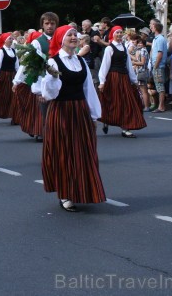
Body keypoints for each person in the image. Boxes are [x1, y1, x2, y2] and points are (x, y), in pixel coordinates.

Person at [41, 26, 106, 212]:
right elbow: (49, 93)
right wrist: (53, 78)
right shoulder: (52, 62)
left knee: (83, 151)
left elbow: (88, 89)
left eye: (75, 35)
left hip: (80, 110)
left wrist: (94, 114)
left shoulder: (80, 61)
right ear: (61, 39)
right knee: (64, 152)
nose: (73, 37)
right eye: (69, 35)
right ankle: (65, 193)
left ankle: (80, 189)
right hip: (61, 111)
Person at [98, 26, 147, 138]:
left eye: (121, 32)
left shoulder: (124, 48)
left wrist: (134, 80)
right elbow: (104, 66)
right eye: (117, 33)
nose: (119, 35)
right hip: (113, 78)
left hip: (124, 78)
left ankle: (126, 128)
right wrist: (102, 81)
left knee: (126, 102)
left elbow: (128, 65)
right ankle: (107, 119)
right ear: (113, 35)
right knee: (114, 102)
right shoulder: (109, 49)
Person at [29, 12, 59, 142]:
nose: (50, 26)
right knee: (45, 112)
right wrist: (39, 90)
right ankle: (44, 133)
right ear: (42, 25)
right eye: (47, 23)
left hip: (59, 82)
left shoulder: (61, 40)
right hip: (44, 81)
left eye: (52, 23)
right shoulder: (38, 42)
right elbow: (34, 67)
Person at [150, 20, 168, 112]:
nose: (150, 27)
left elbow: (160, 54)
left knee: (160, 86)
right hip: (156, 65)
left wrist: (156, 66)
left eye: (152, 25)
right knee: (158, 86)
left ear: (156, 27)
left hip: (158, 66)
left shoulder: (160, 39)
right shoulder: (156, 39)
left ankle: (161, 106)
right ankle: (160, 105)